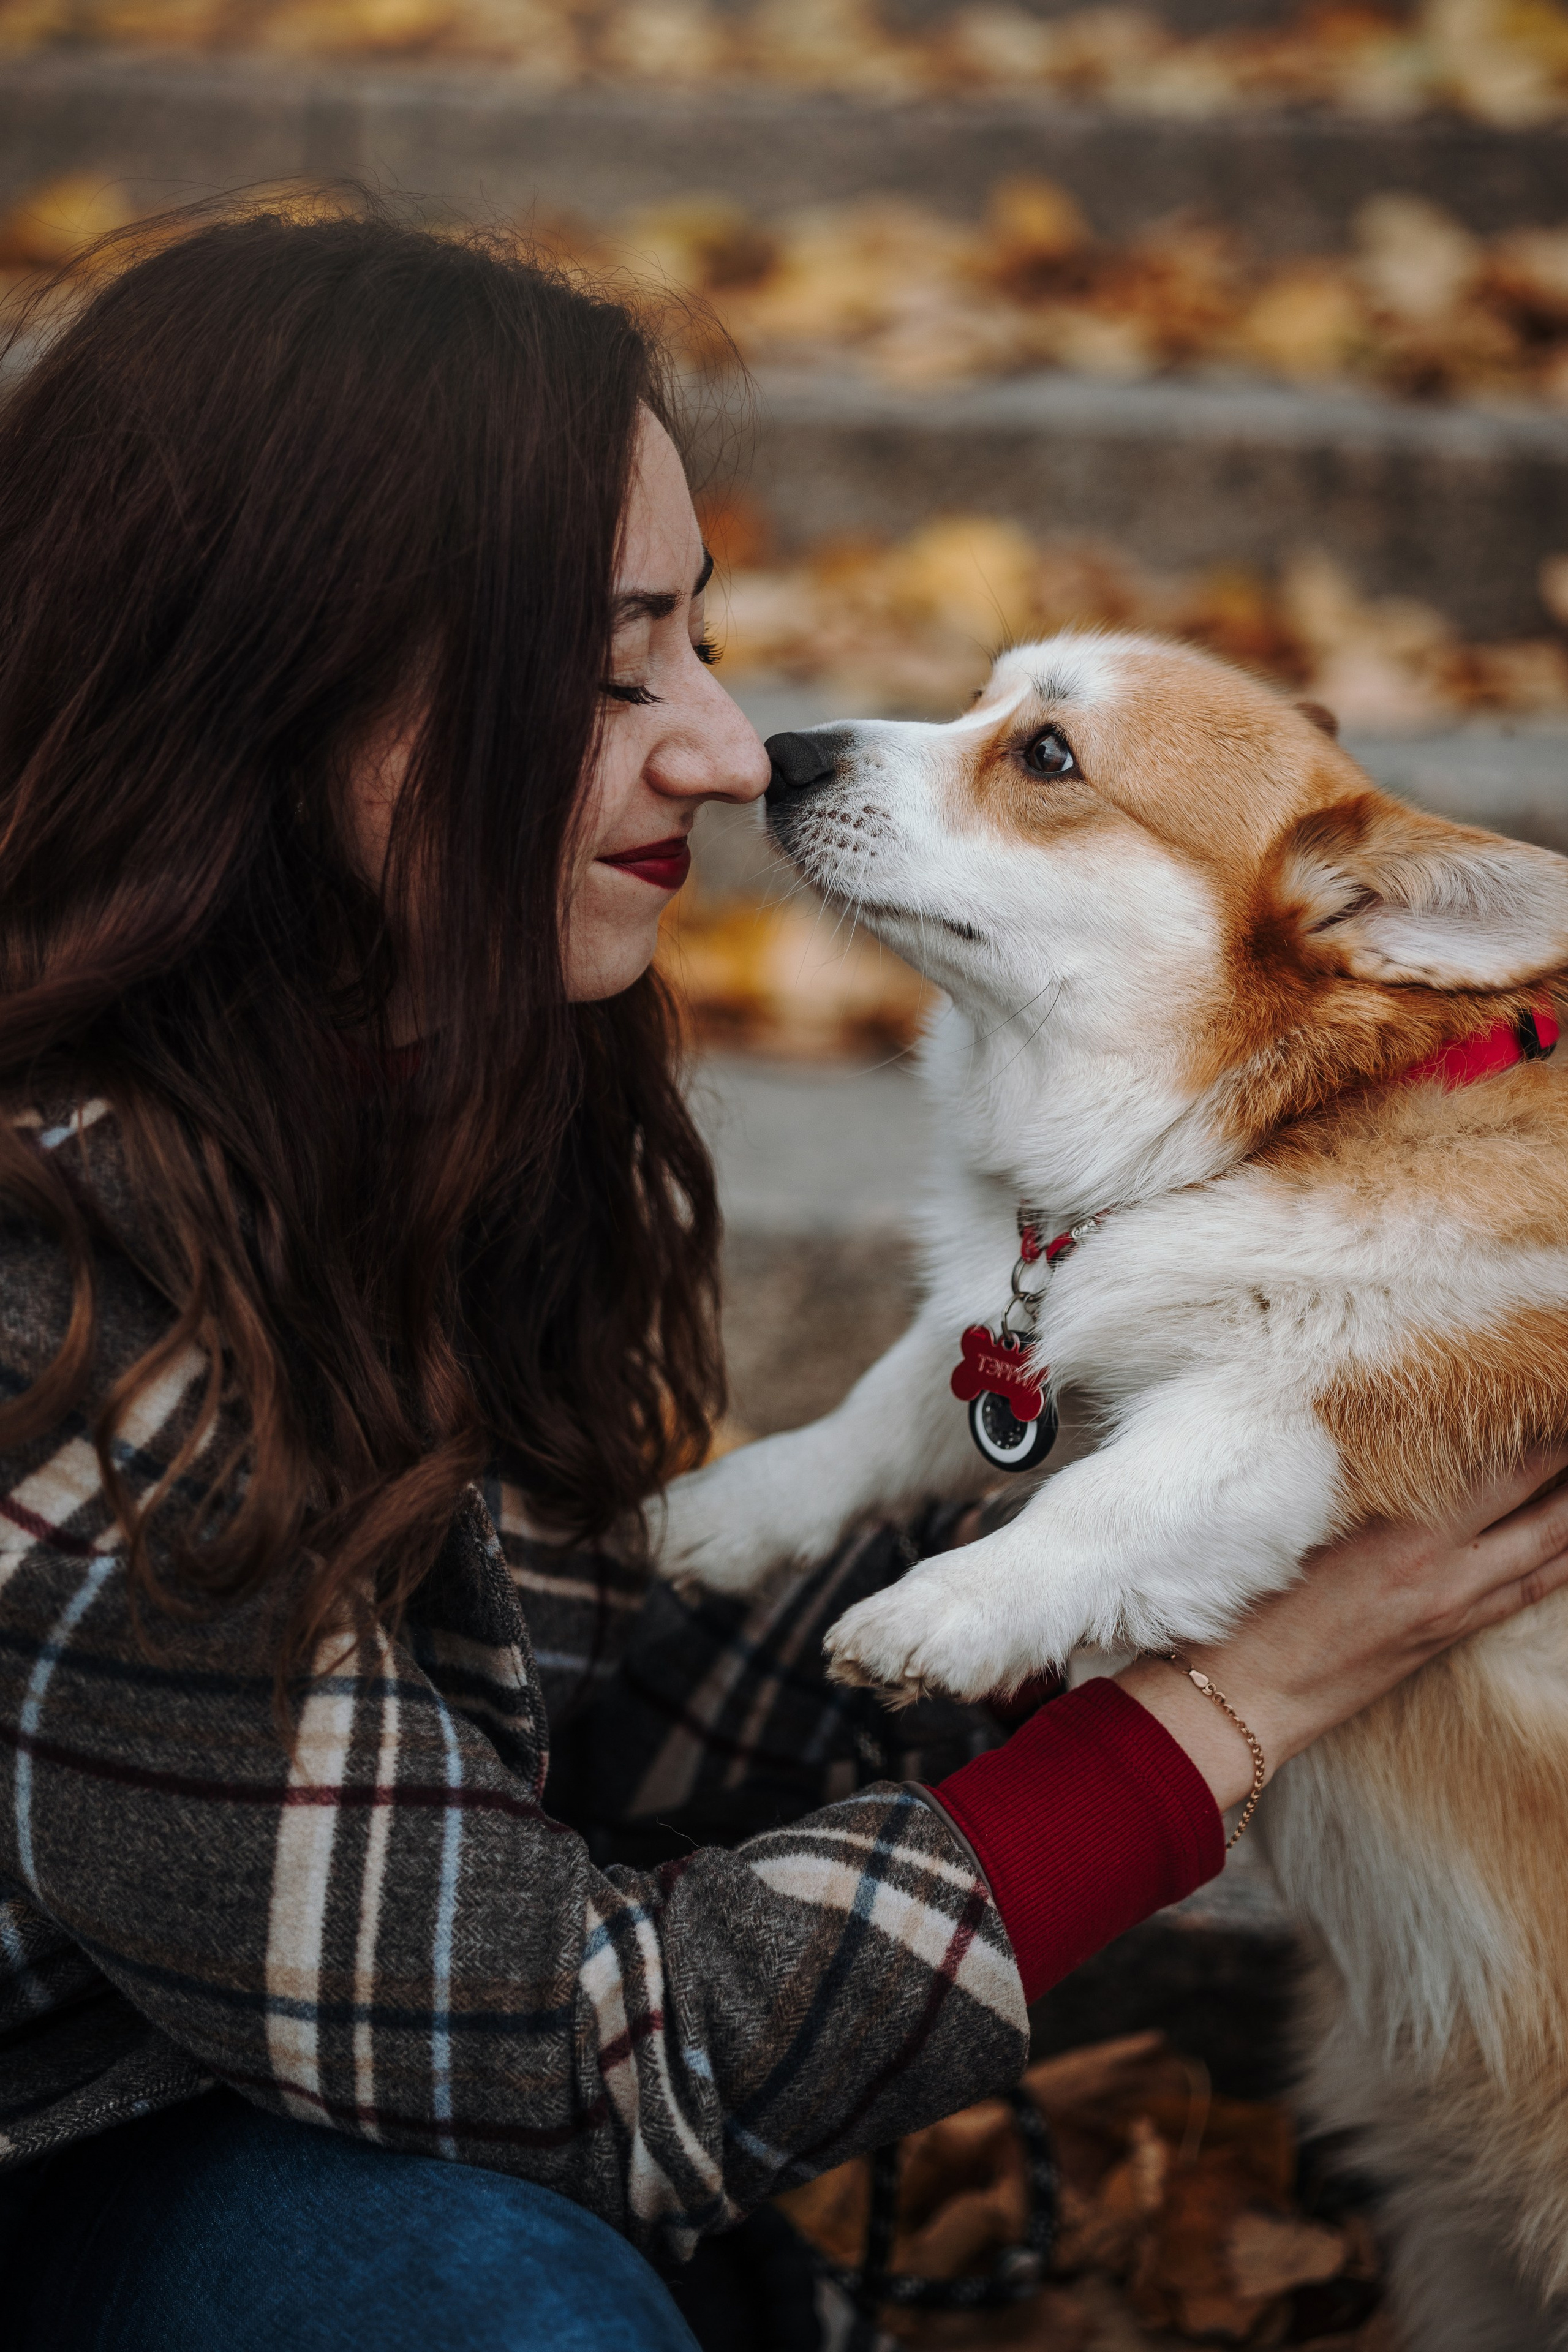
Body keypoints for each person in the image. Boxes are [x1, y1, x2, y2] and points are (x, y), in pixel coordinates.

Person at [0, 205, 1563, 2352]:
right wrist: (1242, 1695)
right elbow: (572, 2044)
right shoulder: (54, 1305)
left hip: (271, 2067)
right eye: (614, 669)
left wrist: (1053, 1492)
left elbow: (559, 1762)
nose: (740, 752)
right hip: (75, 2155)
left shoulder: (430, 1087)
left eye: (701, 643)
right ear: (277, 694)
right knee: (481, 2307)